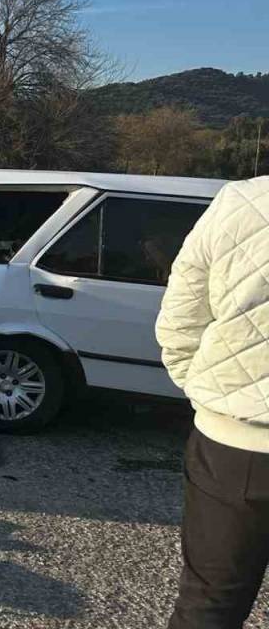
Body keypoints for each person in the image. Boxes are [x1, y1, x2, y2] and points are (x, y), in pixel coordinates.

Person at [156, 176, 269, 629]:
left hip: (233, 447)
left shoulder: (240, 200)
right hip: (231, 435)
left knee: (210, 603)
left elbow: (181, 321)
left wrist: (213, 402)